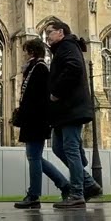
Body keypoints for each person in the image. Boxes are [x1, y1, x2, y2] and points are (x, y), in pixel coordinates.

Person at [44, 20, 101, 209]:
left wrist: (57, 91)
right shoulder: (61, 48)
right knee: (58, 148)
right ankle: (89, 183)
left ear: (60, 32)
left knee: (70, 150)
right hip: (63, 112)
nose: (47, 36)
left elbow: (74, 68)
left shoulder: (68, 45)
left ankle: (77, 193)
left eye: (49, 32)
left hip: (71, 109)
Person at [13, 37, 73, 208]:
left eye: (25, 52)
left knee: (33, 157)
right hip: (32, 120)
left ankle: (34, 195)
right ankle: (64, 185)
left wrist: (25, 113)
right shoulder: (32, 69)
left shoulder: (40, 69)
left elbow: (40, 99)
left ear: (31, 52)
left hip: (36, 121)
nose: (23, 55)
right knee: (35, 157)